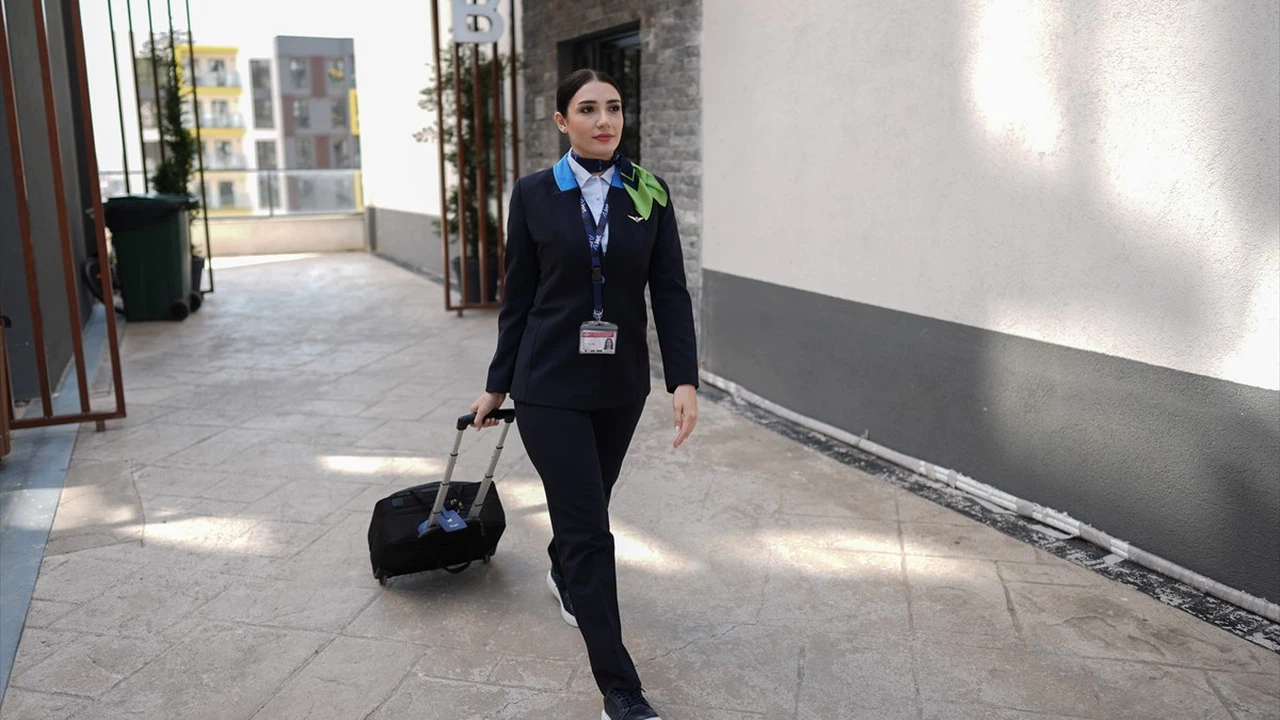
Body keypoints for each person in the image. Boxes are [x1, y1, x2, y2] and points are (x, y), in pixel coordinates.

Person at [470, 68, 698, 720]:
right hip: (548, 384)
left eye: (615, 108)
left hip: (620, 384)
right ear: (561, 120)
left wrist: (683, 378)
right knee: (591, 530)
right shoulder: (533, 194)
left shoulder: (649, 190)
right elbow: (518, 297)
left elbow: (669, 291)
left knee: (589, 503)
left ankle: (563, 568)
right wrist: (497, 384)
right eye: (588, 108)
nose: (605, 120)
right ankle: (620, 689)